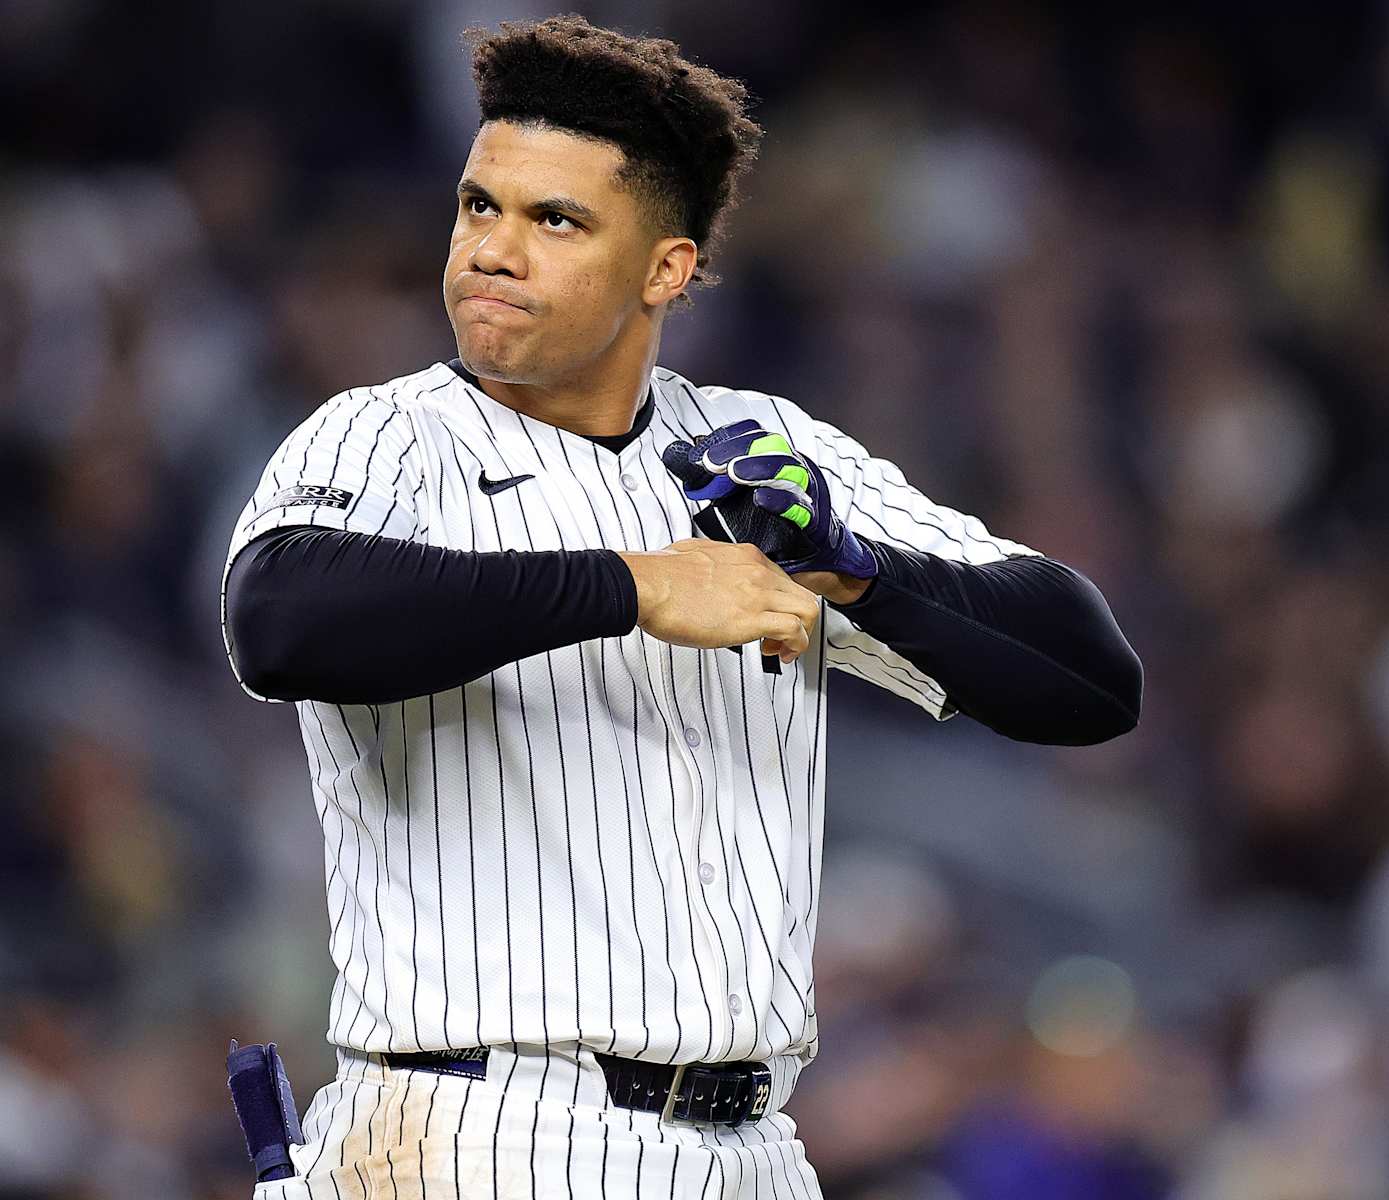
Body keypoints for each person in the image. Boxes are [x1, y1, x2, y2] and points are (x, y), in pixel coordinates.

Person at [219, 15, 1141, 1198]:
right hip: (478, 1128)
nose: (491, 249)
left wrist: (860, 569)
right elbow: (281, 619)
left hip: (756, 1146)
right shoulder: (392, 434)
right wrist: (628, 585)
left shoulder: (765, 448)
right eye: (478, 205)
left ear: (667, 267)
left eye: (554, 220)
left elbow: (1088, 682)